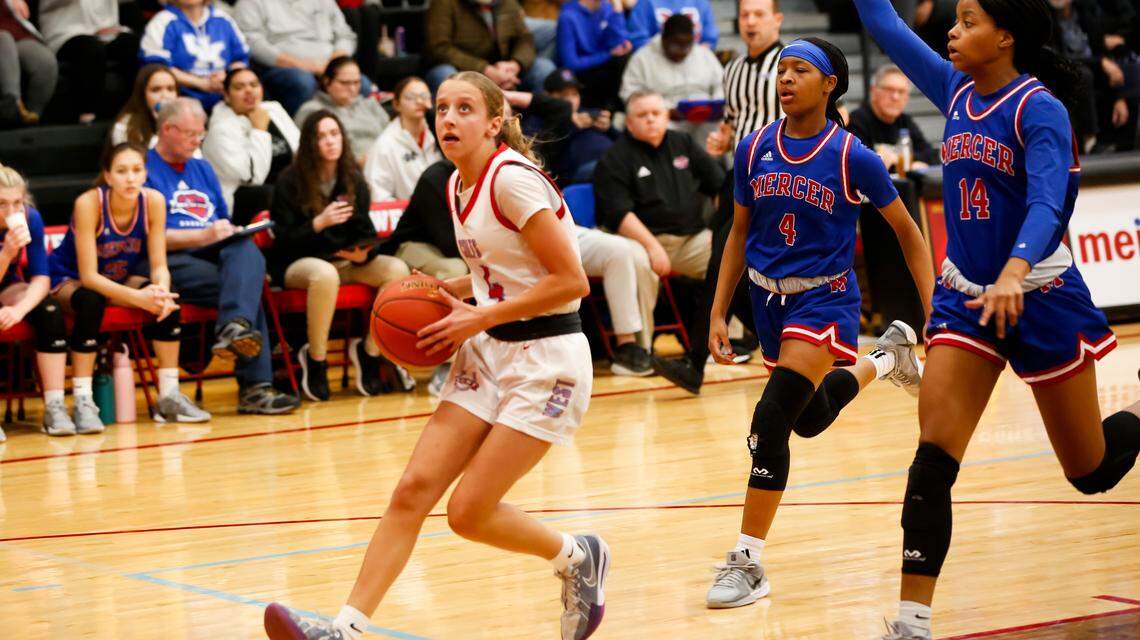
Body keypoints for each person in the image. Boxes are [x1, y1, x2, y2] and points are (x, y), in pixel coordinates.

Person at [263, 71, 608, 640]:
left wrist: (482, 314)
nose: (448, 118)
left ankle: (577, 557)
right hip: (490, 350)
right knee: (412, 491)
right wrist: (451, 292)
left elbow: (571, 281)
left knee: (469, 512)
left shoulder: (513, 182)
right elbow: (497, 279)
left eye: (465, 109)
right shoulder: (453, 184)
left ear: (494, 122)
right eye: (442, 108)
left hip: (547, 360)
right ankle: (344, 630)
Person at [852, 0, 1140, 638]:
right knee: (931, 463)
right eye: (954, 19)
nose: (953, 31)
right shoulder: (955, 89)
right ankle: (911, 622)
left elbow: (1046, 203)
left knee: (1088, 473)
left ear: (1005, 37)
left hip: (1039, 294)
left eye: (968, 20)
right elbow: (883, 23)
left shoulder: (1040, 109)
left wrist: (1014, 269)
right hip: (967, 301)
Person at [701, 37, 935, 611]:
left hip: (825, 302)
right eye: (781, 70)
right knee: (805, 422)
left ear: (829, 84)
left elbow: (908, 232)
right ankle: (886, 358)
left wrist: (938, 313)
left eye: (799, 70)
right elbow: (738, 234)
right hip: (766, 302)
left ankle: (748, 559)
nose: (785, 79)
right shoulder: (754, 149)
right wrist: (716, 310)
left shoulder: (853, 155)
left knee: (769, 420)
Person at [652, 0, 784, 394]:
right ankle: (764, 332)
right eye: (745, 15)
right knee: (721, 261)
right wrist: (723, 138)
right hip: (737, 176)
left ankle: (695, 360)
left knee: (723, 259)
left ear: (776, 20)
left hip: (773, 179)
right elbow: (733, 120)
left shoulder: (789, 64)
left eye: (760, 14)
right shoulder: (733, 70)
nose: (751, 21)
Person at [146, 98, 300, 415]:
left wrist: (226, 231)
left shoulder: (202, 167)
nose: (197, 141)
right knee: (247, 286)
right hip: (167, 259)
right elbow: (147, 237)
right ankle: (255, 386)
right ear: (168, 130)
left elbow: (220, 218)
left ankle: (234, 327)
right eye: (190, 134)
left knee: (245, 248)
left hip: (211, 252)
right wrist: (202, 235)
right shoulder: (144, 169)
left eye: (200, 135)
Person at [48, 143, 211, 430]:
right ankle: (84, 401)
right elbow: (89, 277)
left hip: (118, 278)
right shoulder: (89, 203)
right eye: (122, 171)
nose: (131, 178)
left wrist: (159, 291)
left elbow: (160, 264)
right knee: (90, 301)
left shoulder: (154, 201)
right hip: (71, 279)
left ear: (146, 173)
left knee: (168, 301)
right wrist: (137, 298)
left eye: (137, 170)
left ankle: (169, 395)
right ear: (108, 176)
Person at [269, 110, 412, 400]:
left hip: (342, 260)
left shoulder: (353, 180)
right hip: (299, 263)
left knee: (396, 269)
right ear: (310, 143)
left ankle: (370, 351)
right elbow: (283, 241)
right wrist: (318, 223)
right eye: (321, 136)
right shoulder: (289, 181)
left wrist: (365, 253)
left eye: (334, 134)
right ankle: (317, 360)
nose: (330, 141)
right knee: (325, 274)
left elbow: (364, 229)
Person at [593, 90, 723, 360]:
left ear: (667, 117)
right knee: (635, 261)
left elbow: (720, 186)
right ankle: (639, 350)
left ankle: (727, 340)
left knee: (730, 254)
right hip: (643, 241)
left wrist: (724, 230)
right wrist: (652, 246)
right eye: (642, 115)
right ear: (629, 123)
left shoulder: (683, 142)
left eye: (656, 113)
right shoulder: (615, 158)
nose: (651, 119)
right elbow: (617, 214)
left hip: (691, 240)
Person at [0, 164, 70, 440]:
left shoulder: (31, 218)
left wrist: (20, 310)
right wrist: (7, 254)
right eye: (2, 204)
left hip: (8, 287)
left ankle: (54, 406)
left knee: (49, 310)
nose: (11, 211)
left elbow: (42, 278)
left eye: (17, 202)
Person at [202, 67, 298, 218]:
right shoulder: (220, 129)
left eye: (254, 85)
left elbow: (299, 149)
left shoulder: (273, 109)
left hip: (285, 188)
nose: (249, 90)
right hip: (245, 199)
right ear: (226, 96)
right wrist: (260, 130)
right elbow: (254, 178)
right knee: (270, 194)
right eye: (239, 87)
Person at [233, 0, 359, 115]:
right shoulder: (250, 3)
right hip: (280, 68)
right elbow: (251, 41)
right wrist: (302, 64)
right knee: (302, 82)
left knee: (361, 84)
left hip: (330, 66)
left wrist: (334, 65)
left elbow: (346, 36)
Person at [619, 14, 724, 146]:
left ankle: (717, 166)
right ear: (664, 39)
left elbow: (722, 84)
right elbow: (629, 94)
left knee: (724, 127)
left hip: (704, 117)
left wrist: (715, 106)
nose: (682, 51)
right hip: (665, 117)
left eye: (687, 45)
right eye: (677, 45)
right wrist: (663, 110)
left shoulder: (704, 54)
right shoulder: (642, 58)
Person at [37, 0, 140, 123]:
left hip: (107, 30)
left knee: (131, 44)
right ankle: (87, 117)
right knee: (91, 49)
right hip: (66, 31)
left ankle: (131, 114)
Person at [139, 0, 251, 112]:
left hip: (225, 98)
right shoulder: (161, 22)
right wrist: (202, 83)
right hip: (181, 101)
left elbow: (240, 59)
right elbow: (156, 68)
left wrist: (227, 76)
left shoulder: (223, 19)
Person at [424, 0, 556, 94]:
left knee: (545, 69)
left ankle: (528, 130)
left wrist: (515, 64)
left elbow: (524, 38)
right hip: (463, 69)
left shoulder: (507, 3)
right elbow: (438, 48)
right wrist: (485, 70)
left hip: (503, 68)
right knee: (446, 75)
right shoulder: (443, 3)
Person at [294, 57, 389, 167]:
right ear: (327, 82)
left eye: (357, 82)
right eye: (345, 83)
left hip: (384, 166)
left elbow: (392, 138)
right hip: (344, 172)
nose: (353, 88)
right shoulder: (312, 110)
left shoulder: (370, 105)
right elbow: (305, 155)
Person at [847, 64, 939, 172]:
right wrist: (907, 164)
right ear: (873, 91)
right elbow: (859, 165)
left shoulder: (905, 121)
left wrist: (899, 159)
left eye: (901, 91)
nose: (895, 97)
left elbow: (932, 155)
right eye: (889, 89)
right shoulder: (856, 121)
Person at [363, 77, 441, 202]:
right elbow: (378, 195)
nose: (419, 101)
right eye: (410, 97)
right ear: (396, 104)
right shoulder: (384, 145)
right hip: (408, 216)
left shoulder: (440, 135)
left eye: (424, 96)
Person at [557, 0, 635, 111]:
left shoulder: (607, 8)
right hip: (580, 75)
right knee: (618, 62)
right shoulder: (568, 16)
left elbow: (619, 42)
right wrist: (607, 54)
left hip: (604, 69)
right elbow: (570, 63)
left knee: (624, 58)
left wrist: (617, 9)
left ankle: (620, 111)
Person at [0, 0, 57, 126]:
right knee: (4, 39)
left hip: (17, 33)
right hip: (3, 38)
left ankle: (33, 115)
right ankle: (12, 106)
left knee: (44, 61)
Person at [111, 64, 179, 149]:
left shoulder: (185, 121)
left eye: (170, 89)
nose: (165, 96)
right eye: (156, 90)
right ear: (142, 95)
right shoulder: (125, 127)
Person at [648, 0, 719, 47]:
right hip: (657, 59)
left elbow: (709, 39)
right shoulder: (647, 2)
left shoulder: (701, 2)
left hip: (695, 59)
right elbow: (641, 41)